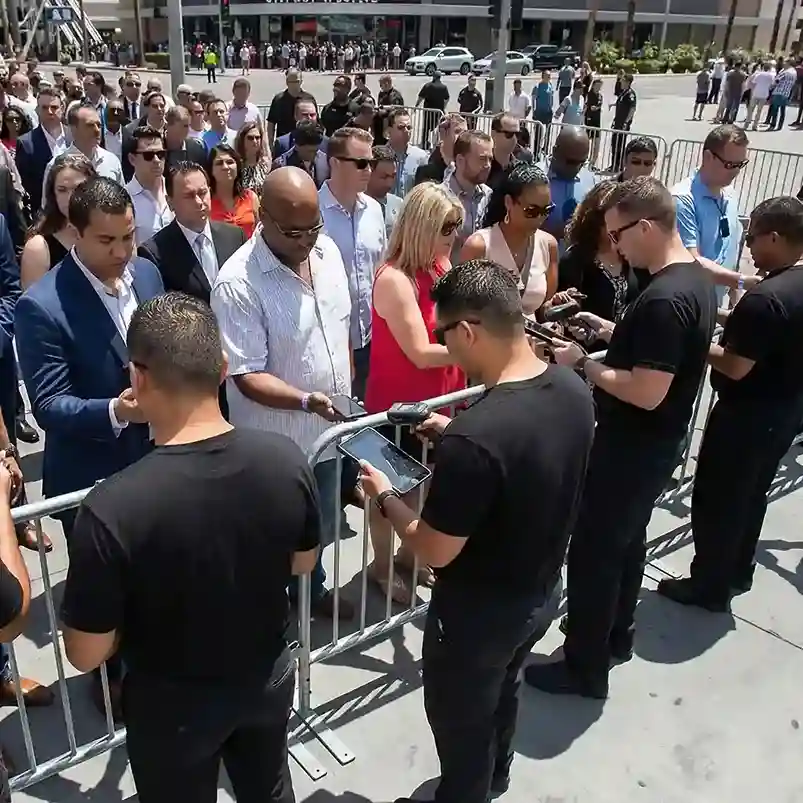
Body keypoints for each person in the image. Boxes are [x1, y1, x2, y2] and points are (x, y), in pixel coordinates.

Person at [359, 257, 595, 803]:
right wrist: (454, 430)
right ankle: (497, 776)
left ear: (467, 330)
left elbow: (435, 549)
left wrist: (386, 496)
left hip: (475, 619)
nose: (447, 347)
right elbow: (526, 458)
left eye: (445, 334)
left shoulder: (479, 436)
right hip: (539, 593)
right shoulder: (571, 389)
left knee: (461, 723)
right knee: (504, 692)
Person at [60, 292, 308, 803]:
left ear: (138, 377)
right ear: (221, 370)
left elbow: (85, 652)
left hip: (172, 708)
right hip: (267, 677)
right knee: (270, 789)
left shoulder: (111, 510)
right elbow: (302, 562)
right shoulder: (285, 460)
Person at [524, 177, 717, 700]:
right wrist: (613, 333)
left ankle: (584, 665)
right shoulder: (689, 280)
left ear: (647, 226)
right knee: (627, 546)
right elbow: (657, 354)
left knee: (593, 554)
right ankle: (615, 637)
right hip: (653, 446)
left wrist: (583, 363)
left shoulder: (663, 298)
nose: (615, 245)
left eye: (619, 234)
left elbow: (647, 390)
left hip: (633, 446)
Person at [15, 177, 164, 718]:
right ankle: (108, 680)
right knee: (105, 594)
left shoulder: (147, 272)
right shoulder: (43, 306)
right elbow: (50, 404)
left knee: (153, 582)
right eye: (107, 241)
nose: (123, 252)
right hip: (90, 482)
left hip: (156, 467)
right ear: (74, 233)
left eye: (129, 236)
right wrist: (118, 411)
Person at [211, 167, 354, 620]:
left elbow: (341, 328)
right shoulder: (238, 283)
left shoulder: (327, 251)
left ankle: (313, 592)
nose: (307, 240)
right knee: (275, 538)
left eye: (314, 227)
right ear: (263, 218)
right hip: (275, 445)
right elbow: (246, 374)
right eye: (294, 231)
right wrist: (305, 400)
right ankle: (273, 616)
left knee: (320, 528)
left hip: (329, 435)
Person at [658, 197, 803, 611]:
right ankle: (739, 570)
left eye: (753, 237)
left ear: (775, 237)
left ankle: (708, 586)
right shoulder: (789, 287)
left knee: (718, 502)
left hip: (746, 417)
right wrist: (716, 318)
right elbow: (757, 332)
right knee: (752, 495)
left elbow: (736, 364)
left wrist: (694, 339)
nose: (749, 248)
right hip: (785, 410)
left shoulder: (767, 297)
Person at [363, 182, 466, 600]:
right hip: (397, 409)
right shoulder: (394, 279)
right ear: (423, 227)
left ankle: (410, 558)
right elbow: (421, 352)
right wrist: (477, 350)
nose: (453, 235)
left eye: (457, 225)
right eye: (447, 226)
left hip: (437, 403)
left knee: (424, 489)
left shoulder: (438, 266)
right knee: (389, 493)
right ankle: (383, 567)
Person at [319, 127, 385, 401]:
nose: (368, 170)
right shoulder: (312, 211)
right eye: (360, 163)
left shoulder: (374, 210)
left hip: (373, 339)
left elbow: (381, 269)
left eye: (371, 163)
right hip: (330, 343)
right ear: (334, 163)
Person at [670, 124, 757, 305]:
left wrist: (735, 293)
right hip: (691, 303)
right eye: (730, 165)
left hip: (718, 302)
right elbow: (692, 262)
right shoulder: (683, 199)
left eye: (740, 165)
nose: (736, 172)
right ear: (708, 157)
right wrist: (742, 281)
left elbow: (731, 249)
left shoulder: (730, 194)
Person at [138, 161, 246, 305]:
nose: (199, 202)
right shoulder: (154, 253)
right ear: (170, 202)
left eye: (203, 193)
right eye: (189, 196)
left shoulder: (234, 237)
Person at [461, 163, 559, 317]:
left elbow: (544, 308)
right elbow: (462, 309)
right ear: (509, 203)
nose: (540, 218)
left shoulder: (548, 245)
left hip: (534, 340)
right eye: (531, 211)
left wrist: (557, 307)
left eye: (546, 210)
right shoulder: (479, 246)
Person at [558, 180, 641, 350]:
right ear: (595, 220)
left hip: (626, 354)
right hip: (587, 357)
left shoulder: (634, 256)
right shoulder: (576, 260)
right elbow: (567, 314)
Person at [21, 152, 96, 288]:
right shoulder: (39, 247)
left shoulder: (110, 231)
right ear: (53, 194)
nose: (70, 197)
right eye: (62, 190)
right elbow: (31, 306)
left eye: (78, 188)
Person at [42, 104, 123, 195]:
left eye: (99, 125)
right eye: (90, 125)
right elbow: (47, 206)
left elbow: (123, 202)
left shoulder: (112, 161)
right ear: (73, 129)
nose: (97, 130)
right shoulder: (56, 166)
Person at [539, 126, 597, 249]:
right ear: (555, 151)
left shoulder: (590, 180)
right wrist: (556, 232)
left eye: (582, 162)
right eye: (571, 162)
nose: (576, 168)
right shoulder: (535, 178)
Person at [441, 130, 492, 261]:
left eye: (490, 159)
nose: (487, 165)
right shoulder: (440, 198)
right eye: (482, 159)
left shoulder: (489, 196)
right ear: (460, 160)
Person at [15, 88, 66, 215]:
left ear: (62, 108)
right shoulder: (26, 143)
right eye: (44, 108)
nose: (49, 112)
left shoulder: (74, 136)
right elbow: (25, 185)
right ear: (37, 110)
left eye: (54, 107)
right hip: (43, 214)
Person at [125, 125, 173, 245]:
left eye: (161, 154)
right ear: (132, 159)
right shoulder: (124, 199)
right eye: (148, 155)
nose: (156, 160)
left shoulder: (177, 189)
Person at [207, 143, 260, 239]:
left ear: (237, 166)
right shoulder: (206, 202)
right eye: (219, 163)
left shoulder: (251, 197)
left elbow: (260, 231)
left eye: (230, 162)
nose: (225, 167)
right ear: (211, 170)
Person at [272, 120, 329, 188]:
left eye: (316, 150)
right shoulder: (281, 166)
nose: (315, 155)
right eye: (309, 151)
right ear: (296, 146)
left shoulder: (326, 162)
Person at [367, 144, 403, 238]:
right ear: (369, 172)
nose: (389, 183)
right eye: (384, 177)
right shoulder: (353, 205)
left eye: (393, 176)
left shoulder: (399, 205)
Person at [609, 72, 636, 172]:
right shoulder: (623, 92)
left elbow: (632, 109)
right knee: (614, 144)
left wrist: (626, 122)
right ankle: (614, 165)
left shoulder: (630, 94)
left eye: (623, 80)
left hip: (623, 125)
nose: (621, 82)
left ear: (628, 82)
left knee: (620, 145)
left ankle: (619, 166)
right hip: (617, 123)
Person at [235, 121, 271, 193]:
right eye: (250, 138)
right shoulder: (237, 166)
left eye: (257, 138)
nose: (255, 141)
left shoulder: (266, 164)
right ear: (242, 140)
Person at [416, 72, 450, 149]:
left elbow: (420, 97)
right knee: (437, 128)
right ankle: (436, 144)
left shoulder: (427, 86)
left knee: (426, 127)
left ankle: (424, 143)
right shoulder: (443, 87)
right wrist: (444, 107)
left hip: (428, 111)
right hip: (438, 112)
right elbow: (447, 98)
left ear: (433, 77)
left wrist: (416, 106)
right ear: (440, 77)